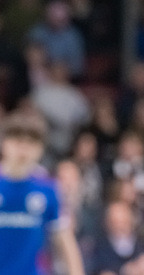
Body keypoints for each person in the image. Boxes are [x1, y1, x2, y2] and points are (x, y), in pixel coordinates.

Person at [0, 110, 85, 275]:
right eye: (17, 141)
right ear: (4, 143)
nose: (23, 149)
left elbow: (64, 240)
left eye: (31, 143)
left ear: (40, 149)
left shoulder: (48, 189)